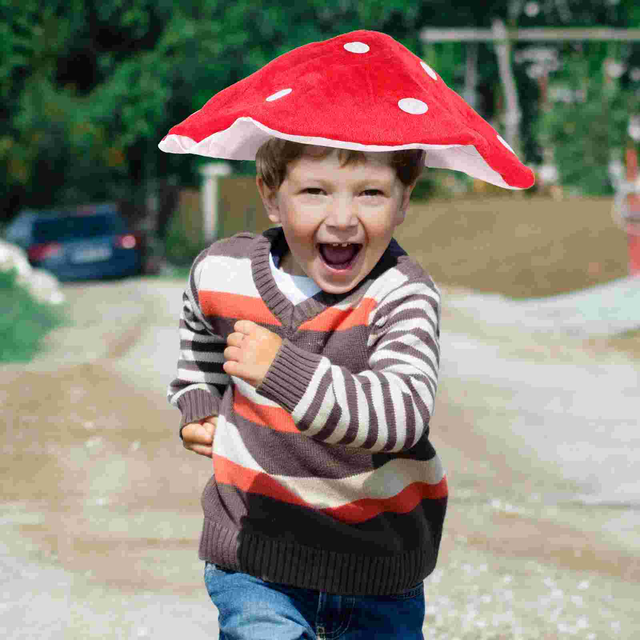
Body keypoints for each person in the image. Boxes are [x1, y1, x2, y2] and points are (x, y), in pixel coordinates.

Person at [161, 30, 533, 640]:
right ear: (272, 196)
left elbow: (400, 416)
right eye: (314, 191)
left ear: (404, 201)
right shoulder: (221, 270)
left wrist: (281, 369)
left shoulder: (402, 295)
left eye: (370, 193)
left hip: (376, 565)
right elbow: (200, 332)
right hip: (256, 555)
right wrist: (199, 402)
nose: (342, 218)